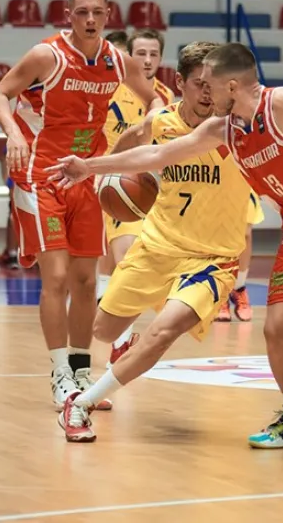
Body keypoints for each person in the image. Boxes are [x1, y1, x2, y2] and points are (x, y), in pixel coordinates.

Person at [49, 42, 283, 448]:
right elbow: (160, 152)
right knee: (277, 331)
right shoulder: (224, 129)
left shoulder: (281, 103)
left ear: (232, 87)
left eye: (210, 87)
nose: (206, 94)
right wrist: (87, 167)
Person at [49, 41, 262, 441]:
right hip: (158, 245)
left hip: (211, 259)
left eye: (211, 85)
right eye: (198, 84)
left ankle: (81, 406)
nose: (205, 93)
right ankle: (143, 319)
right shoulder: (160, 122)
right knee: (103, 331)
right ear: (179, 84)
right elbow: (134, 144)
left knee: (162, 334)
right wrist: (101, 175)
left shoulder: (239, 127)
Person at [0, 0, 164, 411]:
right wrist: (13, 132)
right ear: (69, 15)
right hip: (40, 175)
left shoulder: (117, 61)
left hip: (86, 177)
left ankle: (83, 375)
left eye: (97, 12)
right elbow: (0, 93)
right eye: (81, 12)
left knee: (87, 283)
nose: (89, 19)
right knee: (59, 278)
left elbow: (156, 99)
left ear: (108, 15)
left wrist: (145, 132)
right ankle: (59, 375)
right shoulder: (46, 55)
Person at [96, 28, 175, 365]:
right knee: (123, 255)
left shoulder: (166, 95)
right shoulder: (109, 87)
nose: (146, 60)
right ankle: (119, 340)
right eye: (139, 53)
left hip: (144, 182)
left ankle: (111, 328)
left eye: (153, 54)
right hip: (110, 177)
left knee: (116, 260)